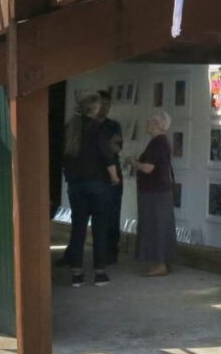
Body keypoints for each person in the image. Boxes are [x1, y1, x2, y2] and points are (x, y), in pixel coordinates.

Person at [60, 93, 119, 287]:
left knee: (78, 228)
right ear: (94, 109)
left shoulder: (70, 129)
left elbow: (62, 156)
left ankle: (76, 274)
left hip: (75, 186)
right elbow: (107, 155)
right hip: (97, 185)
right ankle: (99, 273)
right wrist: (114, 177)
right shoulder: (97, 129)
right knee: (100, 228)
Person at [126, 110, 176, 277]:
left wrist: (134, 162)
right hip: (158, 190)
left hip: (155, 192)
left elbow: (148, 168)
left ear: (157, 124)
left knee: (157, 226)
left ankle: (160, 264)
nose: (146, 123)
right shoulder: (160, 142)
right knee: (157, 225)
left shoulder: (158, 142)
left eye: (149, 121)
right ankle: (161, 262)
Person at [97, 90, 124, 265]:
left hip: (112, 171)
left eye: (108, 104)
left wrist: (100, 146)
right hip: (95, 173)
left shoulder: (113, 125)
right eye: (102, 104)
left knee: (113, 213)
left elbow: (117, 147)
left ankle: (111, 250)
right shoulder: (89, 125)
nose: (105, 108)